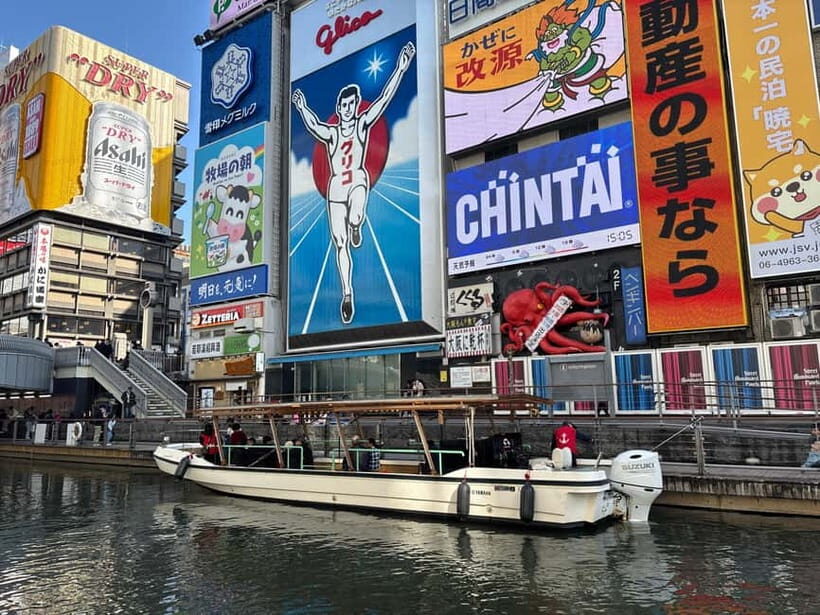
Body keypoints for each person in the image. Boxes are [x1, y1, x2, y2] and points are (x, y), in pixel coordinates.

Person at [291, 41, 416, 324]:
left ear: (355, 106)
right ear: (339, 107)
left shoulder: (361, 125)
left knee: (356, 214)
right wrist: (301, 106)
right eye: (344, 105)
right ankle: (348, 293)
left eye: (352, 104)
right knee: (339, 242)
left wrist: (401, 66)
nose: (348, 108)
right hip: (336, 188)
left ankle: (357, 223)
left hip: (358, 179)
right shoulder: (333, 133)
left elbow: (384, 99)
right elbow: (313, 125)